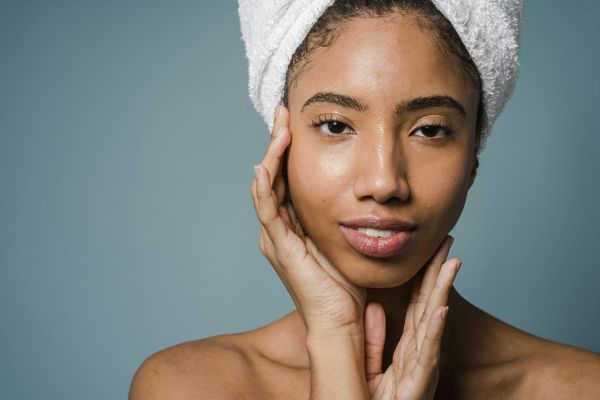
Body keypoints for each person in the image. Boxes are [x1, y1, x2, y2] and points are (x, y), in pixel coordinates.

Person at [129, 1, 600, 398]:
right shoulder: (187, 386)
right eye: (336, 125)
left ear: (474, 153)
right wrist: (334, 343)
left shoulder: (580, 388)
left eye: (429, 130)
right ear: (281, 144)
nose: (383, 181)